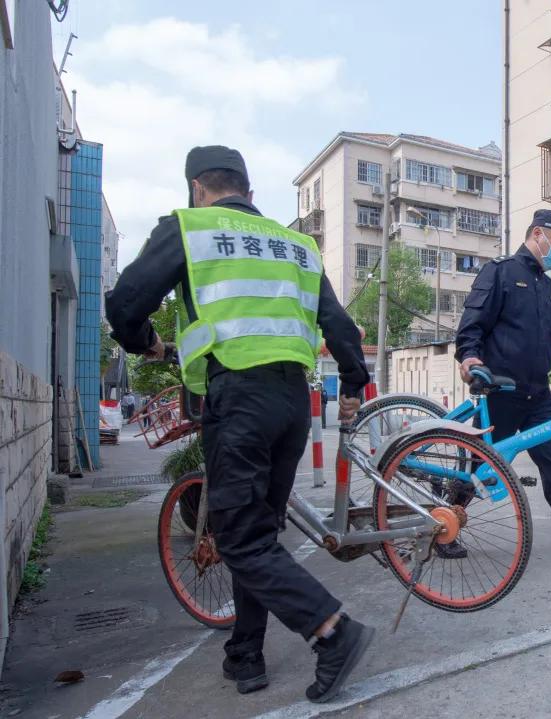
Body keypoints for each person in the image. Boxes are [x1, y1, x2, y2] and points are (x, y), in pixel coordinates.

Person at [105, 146, 373, 704]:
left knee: (237, 538)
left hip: (239, 400)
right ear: (249, 193)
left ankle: (332, 631)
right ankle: (244, 655)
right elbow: (340, 325)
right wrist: (351, 385)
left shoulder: (190, 227)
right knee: (261, 534)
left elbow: (126, 300)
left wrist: (144, 343)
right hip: (293, 402)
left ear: (198, 188)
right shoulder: (297, 245)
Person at [454, 208, 551, 557]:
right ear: (537, 234)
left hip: (538, 394)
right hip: (500, 390)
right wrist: (469, 356)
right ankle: (443, 527)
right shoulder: (501, 272)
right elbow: (473, 323)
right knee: (478, 466)